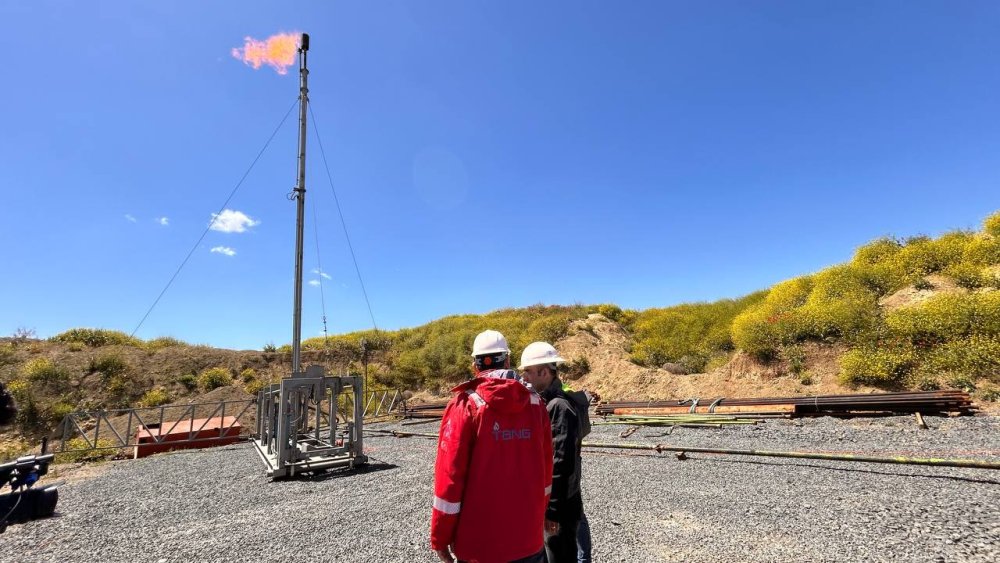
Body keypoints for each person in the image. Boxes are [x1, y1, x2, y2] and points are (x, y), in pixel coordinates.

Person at [431, 330, 553, 563]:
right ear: (507, 360)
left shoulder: (466, 405)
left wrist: (440, 536)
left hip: (479, 547)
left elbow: (449, 481)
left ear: (475, 364)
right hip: (529, 541)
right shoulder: (536, 403)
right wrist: (541, 516)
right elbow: (546, 474)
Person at [519, 342, 585, 563]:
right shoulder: (548, 402)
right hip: (562, 501)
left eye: (527, 371)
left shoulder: (559, 407)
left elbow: (561, 463)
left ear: (544, 372)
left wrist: (553, 511)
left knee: (560, 556)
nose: (524, 377)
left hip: (562, 506)